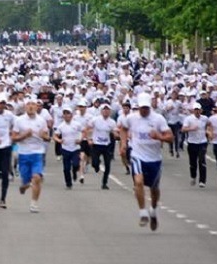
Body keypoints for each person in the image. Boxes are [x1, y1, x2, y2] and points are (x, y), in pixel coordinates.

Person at [120, 93, 173, 231]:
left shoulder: (158, 119)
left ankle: (153, 211)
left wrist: (159, 137)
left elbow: (170, 137)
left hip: (154, 159)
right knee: (138, 182)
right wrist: (123, 144)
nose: (144, 110)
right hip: (137, 155)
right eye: (141, 108)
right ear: (138, 107)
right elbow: (123, 128)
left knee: (154, 189)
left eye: (146, 108)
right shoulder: (132, 118)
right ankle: (143, 212)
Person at [12, 97, 49, 213]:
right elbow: (13, 138)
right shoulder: (19, 120)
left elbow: (47, 137)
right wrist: (24, 135)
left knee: (37, 178)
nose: (31, 107)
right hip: (23, 153)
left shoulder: (41, 120)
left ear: (37, 107)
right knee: (26, 181)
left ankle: (34, 203)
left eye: (33, 104)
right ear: (25, 106)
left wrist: (44, 136)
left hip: (37, 153)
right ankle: (24, 186)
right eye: (28, 104)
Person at [86, 103, 116, 190]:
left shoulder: (112, 122)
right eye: (104, 110)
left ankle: (104, 183)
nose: (106, 111)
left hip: (107, 145)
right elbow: (87, 129)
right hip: (96, 144)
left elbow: (115, 132)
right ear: (101, 111)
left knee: (107, 165)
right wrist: (89, 139)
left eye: (107, 110)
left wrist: (116, 134)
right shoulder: (95, 120)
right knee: (94, 162)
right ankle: (96, 165)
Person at [52, 105, 84, 189]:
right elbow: (55, 136)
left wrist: (80, 139)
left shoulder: (77, 124)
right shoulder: (61, 126)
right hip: (65, 148)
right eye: (65, 113)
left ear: (71, 115)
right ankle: (68, 183)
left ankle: (74, 171)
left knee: (76, 164)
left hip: (75, 148)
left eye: (68, 113)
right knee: (66, 168)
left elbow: (83, 132)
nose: (66, 115)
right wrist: (59, 140)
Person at [181, 103, 208, 188]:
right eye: (195, 110)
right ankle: (193, 176)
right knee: (193, 163)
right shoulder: (188, 119)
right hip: (192, 143)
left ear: (201, 110)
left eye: (198, 110)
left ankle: (202, 181)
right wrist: (191, 129)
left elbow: (209, 125)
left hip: (202, 142)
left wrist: (209, 132)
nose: (197, 111)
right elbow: (183, 129)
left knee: (201, 161)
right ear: (193, 110)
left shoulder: (205, 118)